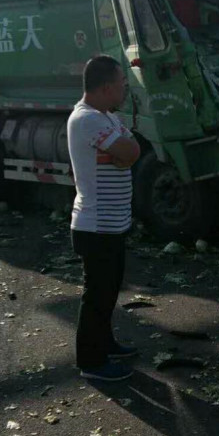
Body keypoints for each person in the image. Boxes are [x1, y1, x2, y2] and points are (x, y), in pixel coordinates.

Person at [67, 55, 141, 382]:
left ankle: (105, 343)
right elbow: (130, 153)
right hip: (95, 226)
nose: (125, 88)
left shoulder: (106, 117)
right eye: (122, 83)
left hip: (112, 225)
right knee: (96, 295)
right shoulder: (87, 120)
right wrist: (124, 154)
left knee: (108, 292)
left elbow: (132, 147)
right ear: (107, 86)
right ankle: (91, 361)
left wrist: (125, 153)